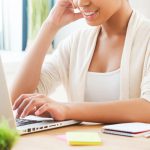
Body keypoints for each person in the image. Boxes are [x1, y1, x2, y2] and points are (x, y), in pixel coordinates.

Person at [12, 0, 150, 123]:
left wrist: (67, 109)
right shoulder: (76, 43)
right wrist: (50, 26)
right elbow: (19, 101)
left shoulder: (146, 38)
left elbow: (147, 108)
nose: (81, 3)